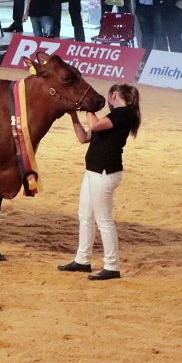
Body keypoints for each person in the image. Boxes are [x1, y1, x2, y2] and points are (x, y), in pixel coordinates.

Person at [58, 83, 142, 281]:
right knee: (85, 216)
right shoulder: (113, 117)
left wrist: (89, 107)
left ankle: (112, 266)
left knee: (104, 220)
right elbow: (84, 137)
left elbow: (94, 126)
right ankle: (82, 260)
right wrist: (73, 116)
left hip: (104, 172)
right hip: (94, 171)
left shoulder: (123, 114)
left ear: (114, 95)